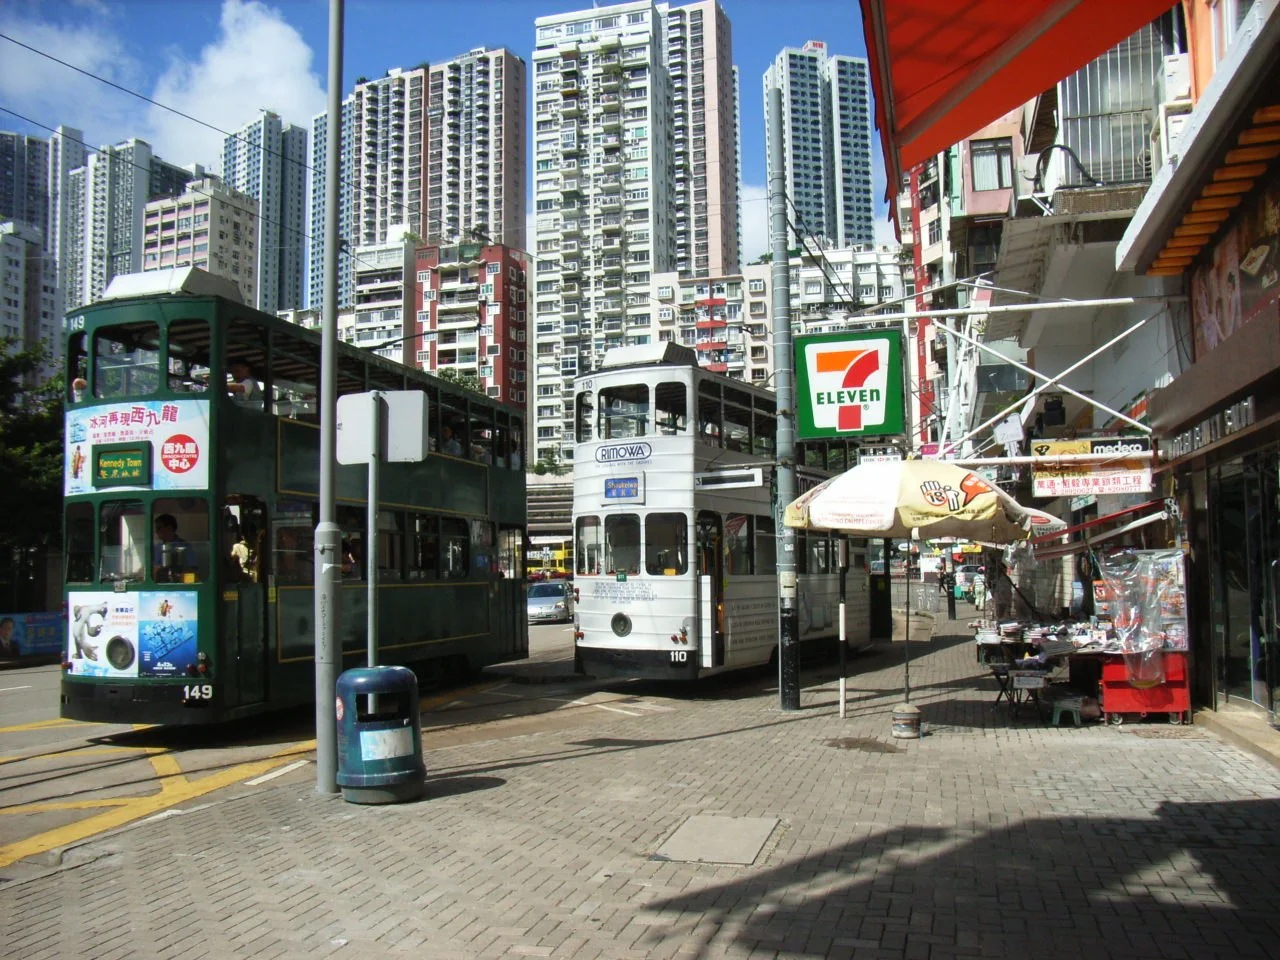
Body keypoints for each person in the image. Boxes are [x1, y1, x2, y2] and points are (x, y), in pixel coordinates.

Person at [153, 514, 194, 581]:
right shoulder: (158, 547)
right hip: (160, 587)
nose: (156, 531)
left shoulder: (185, 546)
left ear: (169, 528)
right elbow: (153, 571)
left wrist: (178, 577)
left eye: (158, 528)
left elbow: (192, 574)